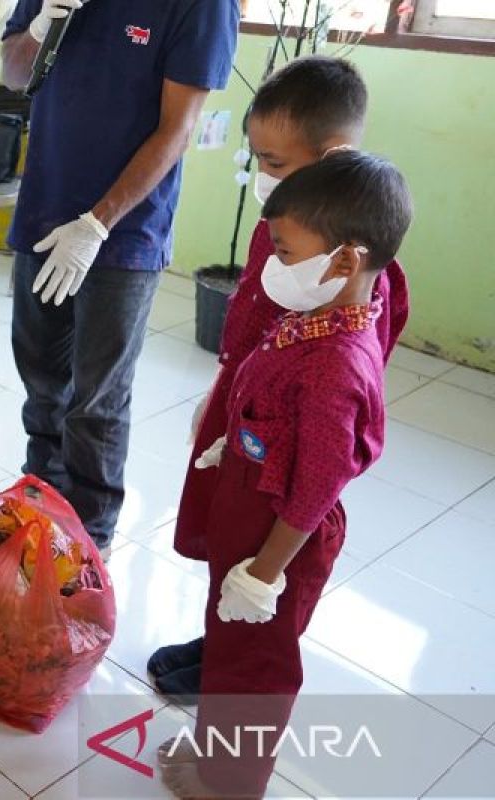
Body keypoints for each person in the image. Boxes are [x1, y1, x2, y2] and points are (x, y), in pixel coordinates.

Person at [149, 56, 412, 702]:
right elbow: (250, 311)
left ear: (333, 153)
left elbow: (334, 427)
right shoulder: (295, 226)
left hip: (286, 435)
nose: (263, 179)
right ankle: (219, 640)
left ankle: (233, 660)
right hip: (249, 402)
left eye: (274, 163)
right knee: (223, 532)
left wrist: (267, 568)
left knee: (258, 562)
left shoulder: (346, 262)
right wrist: (221, 392)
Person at [1, 0, 240, 559]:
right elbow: (14, 74)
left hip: (125, 233)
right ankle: (39, 502)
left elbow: (177, 129)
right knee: (42, 380)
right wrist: (42, 26)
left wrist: (97, 224)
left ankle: (89, 541)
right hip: (44, 206)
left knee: (98, 399)